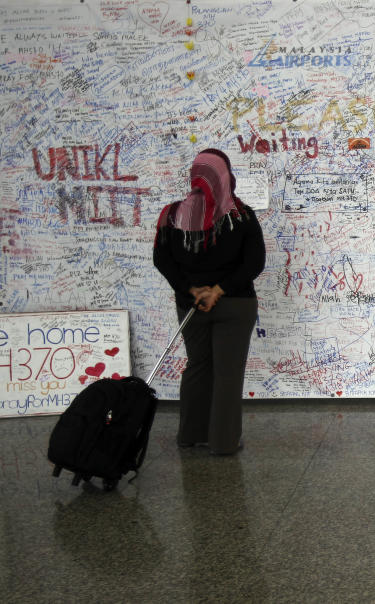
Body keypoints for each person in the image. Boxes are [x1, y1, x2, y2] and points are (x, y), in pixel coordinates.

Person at [153, 149, 265, 455]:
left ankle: (191, 435)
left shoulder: (171, 214)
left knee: (197, 366)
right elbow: (254, 263)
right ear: (226, 176)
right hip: (235, 304)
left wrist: (192, 290)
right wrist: (219, 289)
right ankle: (224, 442)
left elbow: (161, 260)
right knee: (227, 373)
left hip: (190, 307)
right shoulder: (241, 215)